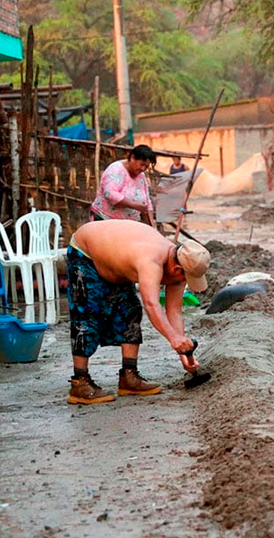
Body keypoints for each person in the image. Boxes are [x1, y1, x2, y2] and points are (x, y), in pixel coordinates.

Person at [65, 219, 210, 405]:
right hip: (86, 252)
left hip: (117, 261)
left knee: (130, 310)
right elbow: (152, 303)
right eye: (186, 277)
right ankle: (80, 382)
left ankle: (129, 375)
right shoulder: (151, 260)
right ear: (177, 269)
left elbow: (174, 312)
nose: (185, 281)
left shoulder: (179, 266)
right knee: (86, 313)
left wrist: (183, 353)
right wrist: (173, 339)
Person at [90, 145, 156, 224]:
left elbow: (147, 201)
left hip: (126, 224)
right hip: (104, 219)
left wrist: (152, 225)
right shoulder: (116, 169)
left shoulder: (141, 176)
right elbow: (109, 193)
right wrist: (133, 205)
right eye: (141, 164)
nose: (143, 169)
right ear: (132, 158)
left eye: (146, 166)